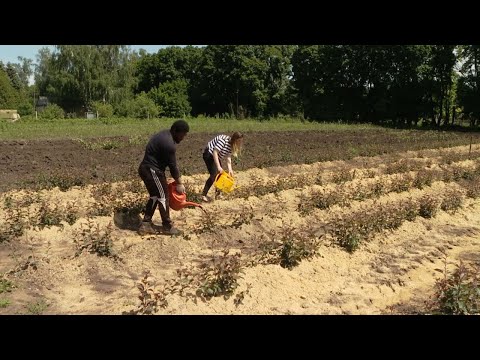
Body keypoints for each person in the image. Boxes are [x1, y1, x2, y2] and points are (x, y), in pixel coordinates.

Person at [137, 119, 189, 236]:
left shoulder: (165, 135)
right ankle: (167, 226)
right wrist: (179, 183)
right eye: (183, 134)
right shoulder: (169, 144)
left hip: (147, 169)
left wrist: (164, 178)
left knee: (155, 196)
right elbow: (173, 167)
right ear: (176, 131)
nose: (183, 137)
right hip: (152, 171)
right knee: (163, 197)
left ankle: (146, 224)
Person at [201, 132, 244, 202]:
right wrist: (218, 166)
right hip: (209, 154)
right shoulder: (223, 141)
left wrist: (230, 169)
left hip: (216, 157)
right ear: (235, 140)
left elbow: (228, 157)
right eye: (239, 141)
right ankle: (203, 195)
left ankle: (217, 194)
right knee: (214, 175)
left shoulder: (231, 145)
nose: (240, 143)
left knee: (220, 175)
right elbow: (215, 152)